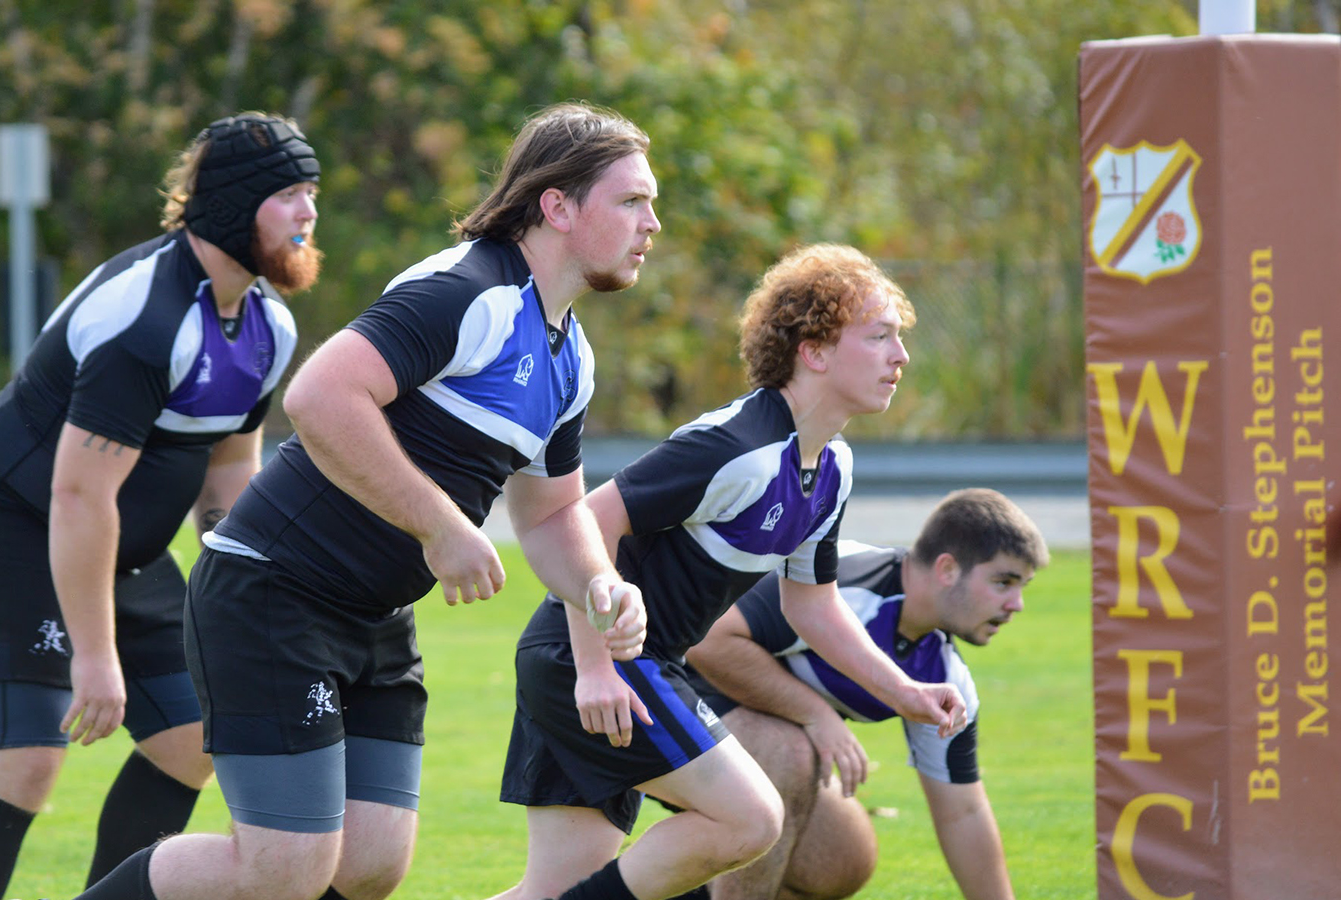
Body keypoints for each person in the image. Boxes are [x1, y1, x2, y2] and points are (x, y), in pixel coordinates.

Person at [77, 101, 655, 900]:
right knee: (282, 869)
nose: (651, 223)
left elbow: (554, 513)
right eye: (631, 201)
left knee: (371, 864)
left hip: (376, 620)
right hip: (274, 594)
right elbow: (319, 397)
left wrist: (599, 590)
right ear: (558, 205)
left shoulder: (570, 356)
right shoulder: (470, 290)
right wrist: (442, 525)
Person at [491, 243, 970, 900]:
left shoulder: (831, 469)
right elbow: (583, 524)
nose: (901, 357)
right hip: (595, 662)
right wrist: (597, 667)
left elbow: (814, 606)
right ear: (816, 350)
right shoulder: (736, 448)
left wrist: (905, 693)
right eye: (880, 336)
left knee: (548, 890)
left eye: (899, 338)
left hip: (600, 663)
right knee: (751, 818)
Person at [0, 111, 324, 900]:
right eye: (289, 194)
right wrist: (96, 656)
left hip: (121, 544)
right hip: (16, 523)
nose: (310, 213)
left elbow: (230, 472)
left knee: (191, 744)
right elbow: (77, 495)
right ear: (234, 206)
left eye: (312, 192)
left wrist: (242, 593)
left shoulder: (267, 327)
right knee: (27, 760)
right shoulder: (145, 316)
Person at [685, 488, 1050, 900]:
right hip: (652, 697)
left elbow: (963, 812)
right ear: (947, 568)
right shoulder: (843, 583)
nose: (1017, 604)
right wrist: (813, 714)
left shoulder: (945, 674)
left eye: (1023, 586)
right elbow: (708, 642)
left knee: (842, 859)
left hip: (752, 745)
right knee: (790, 752)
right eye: (1004, 582)